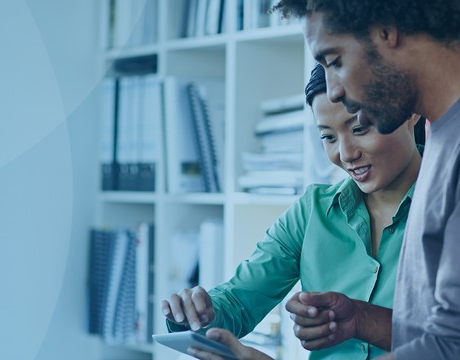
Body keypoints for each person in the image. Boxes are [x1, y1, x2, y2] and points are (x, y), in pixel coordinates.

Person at [263, 1, 460, 359]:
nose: (334, 90)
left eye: (335, 61)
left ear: (386, 32)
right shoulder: (448, 131)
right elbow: (443, 330)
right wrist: (361, 318)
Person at [162, 63, 425, 360]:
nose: (346, 153)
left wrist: (365, 320)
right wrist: (200, 314)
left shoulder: (458, 208)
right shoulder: (311, 212)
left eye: (360, 129)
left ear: (410, 112)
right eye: (328, 137)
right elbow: (239, 301)